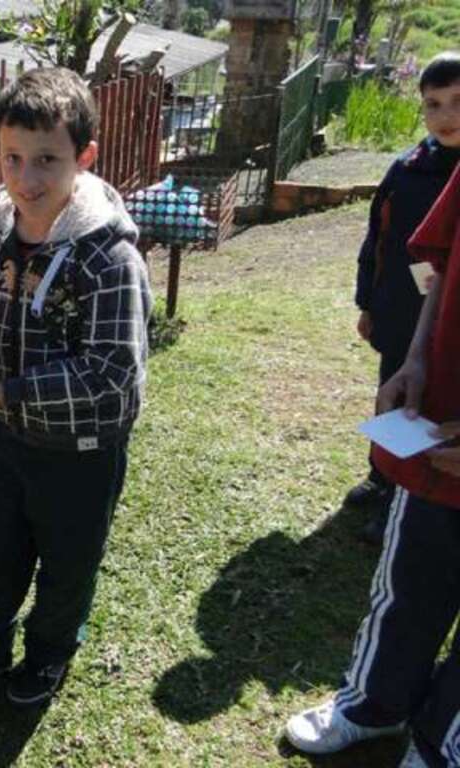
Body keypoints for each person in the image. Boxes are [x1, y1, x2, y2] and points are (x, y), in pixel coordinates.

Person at [0, 67, 152, 707]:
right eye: (12, 158)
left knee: (66, 571)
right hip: (10, 438)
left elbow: (112, 374)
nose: (26, 179)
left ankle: (47, 658)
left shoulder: (109, 258)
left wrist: (7, 392)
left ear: (85, 157)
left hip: (82, 450)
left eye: (47, 159)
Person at [284, 63, 460, 767]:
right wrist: (417, 359)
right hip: (437, 423)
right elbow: (441, 266)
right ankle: (377, 701)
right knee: (414, 570)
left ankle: (442, 743)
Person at [346, 52, 460, 543]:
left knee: (431, 410)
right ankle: (382, 477)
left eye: (457, 103)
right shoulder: (408, 168)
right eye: (433, 104)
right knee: (392, 396)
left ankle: (408, 500)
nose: (445, 117)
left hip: (445, 324)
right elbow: (378, 238)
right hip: (400, 313)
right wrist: (367, 302)